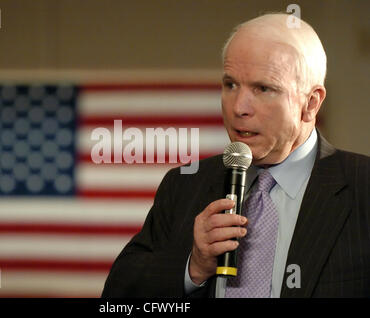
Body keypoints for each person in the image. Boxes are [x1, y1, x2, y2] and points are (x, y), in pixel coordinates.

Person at [101, 13, 370, 298]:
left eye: (263, 88)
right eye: (230, 85)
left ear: (311, 103)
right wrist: (193, 268)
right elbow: (118, 297)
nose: (239, 107)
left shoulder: (362, 188)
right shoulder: (183, 185)